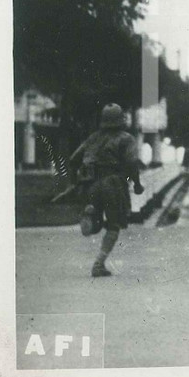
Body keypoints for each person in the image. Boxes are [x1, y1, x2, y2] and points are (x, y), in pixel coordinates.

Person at [71, 104, 144, 277]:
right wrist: (137, 184)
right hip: (113, 184)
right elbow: (132, 163)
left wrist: (74, 183)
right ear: (121, 119)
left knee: (96, 218)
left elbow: (73, 160)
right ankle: (99, 264)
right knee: (114, 224)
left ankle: (90, 217)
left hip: (91, 185)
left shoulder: (93, 138)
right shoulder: (126, 139)